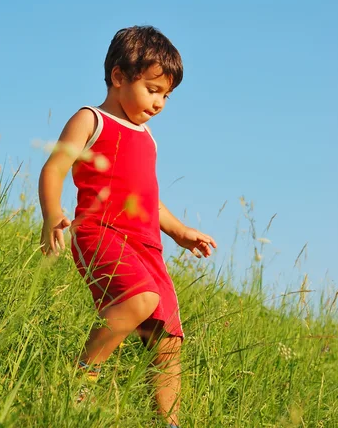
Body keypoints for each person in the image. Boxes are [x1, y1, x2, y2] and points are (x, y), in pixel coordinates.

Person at [39, 25, 217, 428]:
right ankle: (81, 378)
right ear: (119, 77)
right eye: (153, 89)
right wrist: (52, 212)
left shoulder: (148, 137)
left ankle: (167, 422)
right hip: (101, 232)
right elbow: (54, 168)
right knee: (140, 300)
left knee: (169, 337)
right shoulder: (91, 120)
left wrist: (178, 231)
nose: (160, 103)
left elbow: (147, 198)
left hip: (147, 246)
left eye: (166, 95)